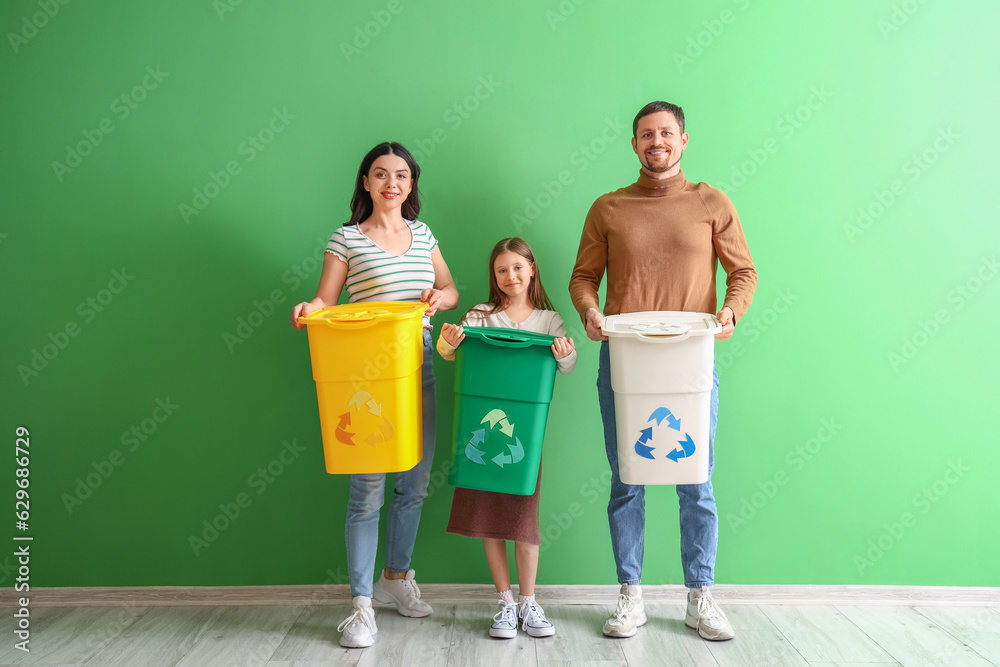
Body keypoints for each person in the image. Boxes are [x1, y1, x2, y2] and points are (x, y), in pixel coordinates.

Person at [568, 101, 757, 641]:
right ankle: (630, 596)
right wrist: (589, 311)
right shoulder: (609, 207)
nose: (658, 142)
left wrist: (729, 312)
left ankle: (701, 597)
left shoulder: (711, 201)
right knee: (628, 476)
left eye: (667, 133)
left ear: (684, 140)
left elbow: (743, 271)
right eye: (647, 134)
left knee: (695, 478)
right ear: (634, 144)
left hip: (690, 358)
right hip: (626, 357)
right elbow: (584, 277)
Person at [289, 141, 459, 649]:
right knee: (367, 490)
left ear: (411, 184)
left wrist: (437, 297)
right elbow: (326, 298)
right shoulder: (346, 239)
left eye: (402, 175)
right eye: (381, 174)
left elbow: (450, 289)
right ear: (366, 182)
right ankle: (361, 606)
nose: (392, 183)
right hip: (365, 379)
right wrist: (308, 307)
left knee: (416, 481)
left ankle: (395, 580)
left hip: (419, 365)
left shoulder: (423, 233)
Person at [437, 237, 576, 639]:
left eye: (518, 267)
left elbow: (567, 365)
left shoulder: (548, 322)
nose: (510, 276)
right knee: (488, 523)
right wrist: (449, 341)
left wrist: (565, 351)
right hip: (478, 436)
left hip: (523, 441)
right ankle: (505, 602)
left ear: (532, 269)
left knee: (523, 524)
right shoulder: (481, 315)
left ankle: (530, 603)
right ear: (494, 276)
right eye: (502, 270)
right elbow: (450, 353)